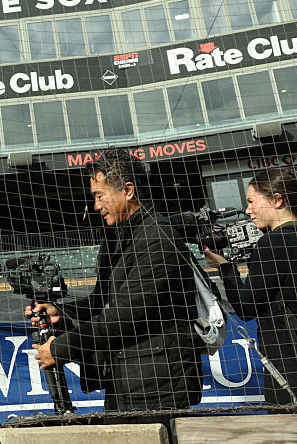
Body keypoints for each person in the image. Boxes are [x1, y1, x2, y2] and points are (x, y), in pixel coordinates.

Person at [28, 148, 205, 413]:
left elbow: (125, 316)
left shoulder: (157, 239)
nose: (96, 206)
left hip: (159, 385)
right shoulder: (118, 238)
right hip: (128, 378)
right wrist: (61, 314)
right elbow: (102, 303)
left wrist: (62, 348)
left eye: (100, 196)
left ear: (128, 191)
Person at [204, 167, 297, 406]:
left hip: (288, 362)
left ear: (277, 200)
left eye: (251, 201)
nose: (247, 210)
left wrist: (226, 268)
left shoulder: (273, 243)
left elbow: (246, 308)